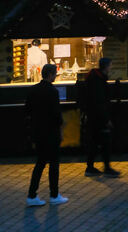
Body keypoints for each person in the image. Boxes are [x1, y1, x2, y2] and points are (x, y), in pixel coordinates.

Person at [25, 63, 68, 207]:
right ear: (50, 74)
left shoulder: (32, 90)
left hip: (38, 133)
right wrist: (61, 128)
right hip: (51, 133)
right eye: (55, 73)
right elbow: (56, 115)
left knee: (40, 163)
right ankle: (54, 194)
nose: (56, 76)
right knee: (54, 164)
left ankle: (32, 195)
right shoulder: (53, 92)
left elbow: (27, 112)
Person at [84, 57, 120, 177]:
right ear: (106, 67)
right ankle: (106, 168)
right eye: (110, 66)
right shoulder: (98, 81)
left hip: (93, 116)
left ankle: (90, 167)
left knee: (94, 142)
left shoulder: (94, 77)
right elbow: (100, 102)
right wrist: (106, 120)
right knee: (105, 142)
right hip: (99, 118)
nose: (111, 68)